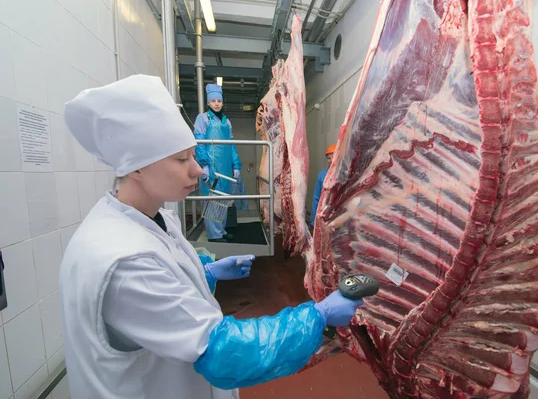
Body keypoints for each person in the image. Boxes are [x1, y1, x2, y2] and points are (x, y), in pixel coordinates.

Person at [59, 75, 364, 399]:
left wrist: (205, 273)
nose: (199, 170)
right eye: (181, 160)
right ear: (136, 167)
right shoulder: (124, 263)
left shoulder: (153, 218)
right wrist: (318, 317)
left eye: (194, 155)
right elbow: (221, 350)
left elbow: (165, 292)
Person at [194, 84, 241, 242]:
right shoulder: (203, 119)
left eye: (219, 101)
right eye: (213, 100)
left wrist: (236, 165)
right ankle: (214, 235)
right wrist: (204, 165)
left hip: (225, 167)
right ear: (208, 103)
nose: (216, 103)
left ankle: (220, 231)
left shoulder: (226, 122)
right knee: (212, 200)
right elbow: (199, 143)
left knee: (223, 200)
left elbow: (231, 145)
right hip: (211, 167)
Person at [310, 144, 336, 229]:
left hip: (338, 216)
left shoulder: (345, 173)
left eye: (333, 157)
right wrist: (313, 220)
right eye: (329, 158)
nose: (331, 160)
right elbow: (316, 198)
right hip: (324, 215)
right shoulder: (322, 175)